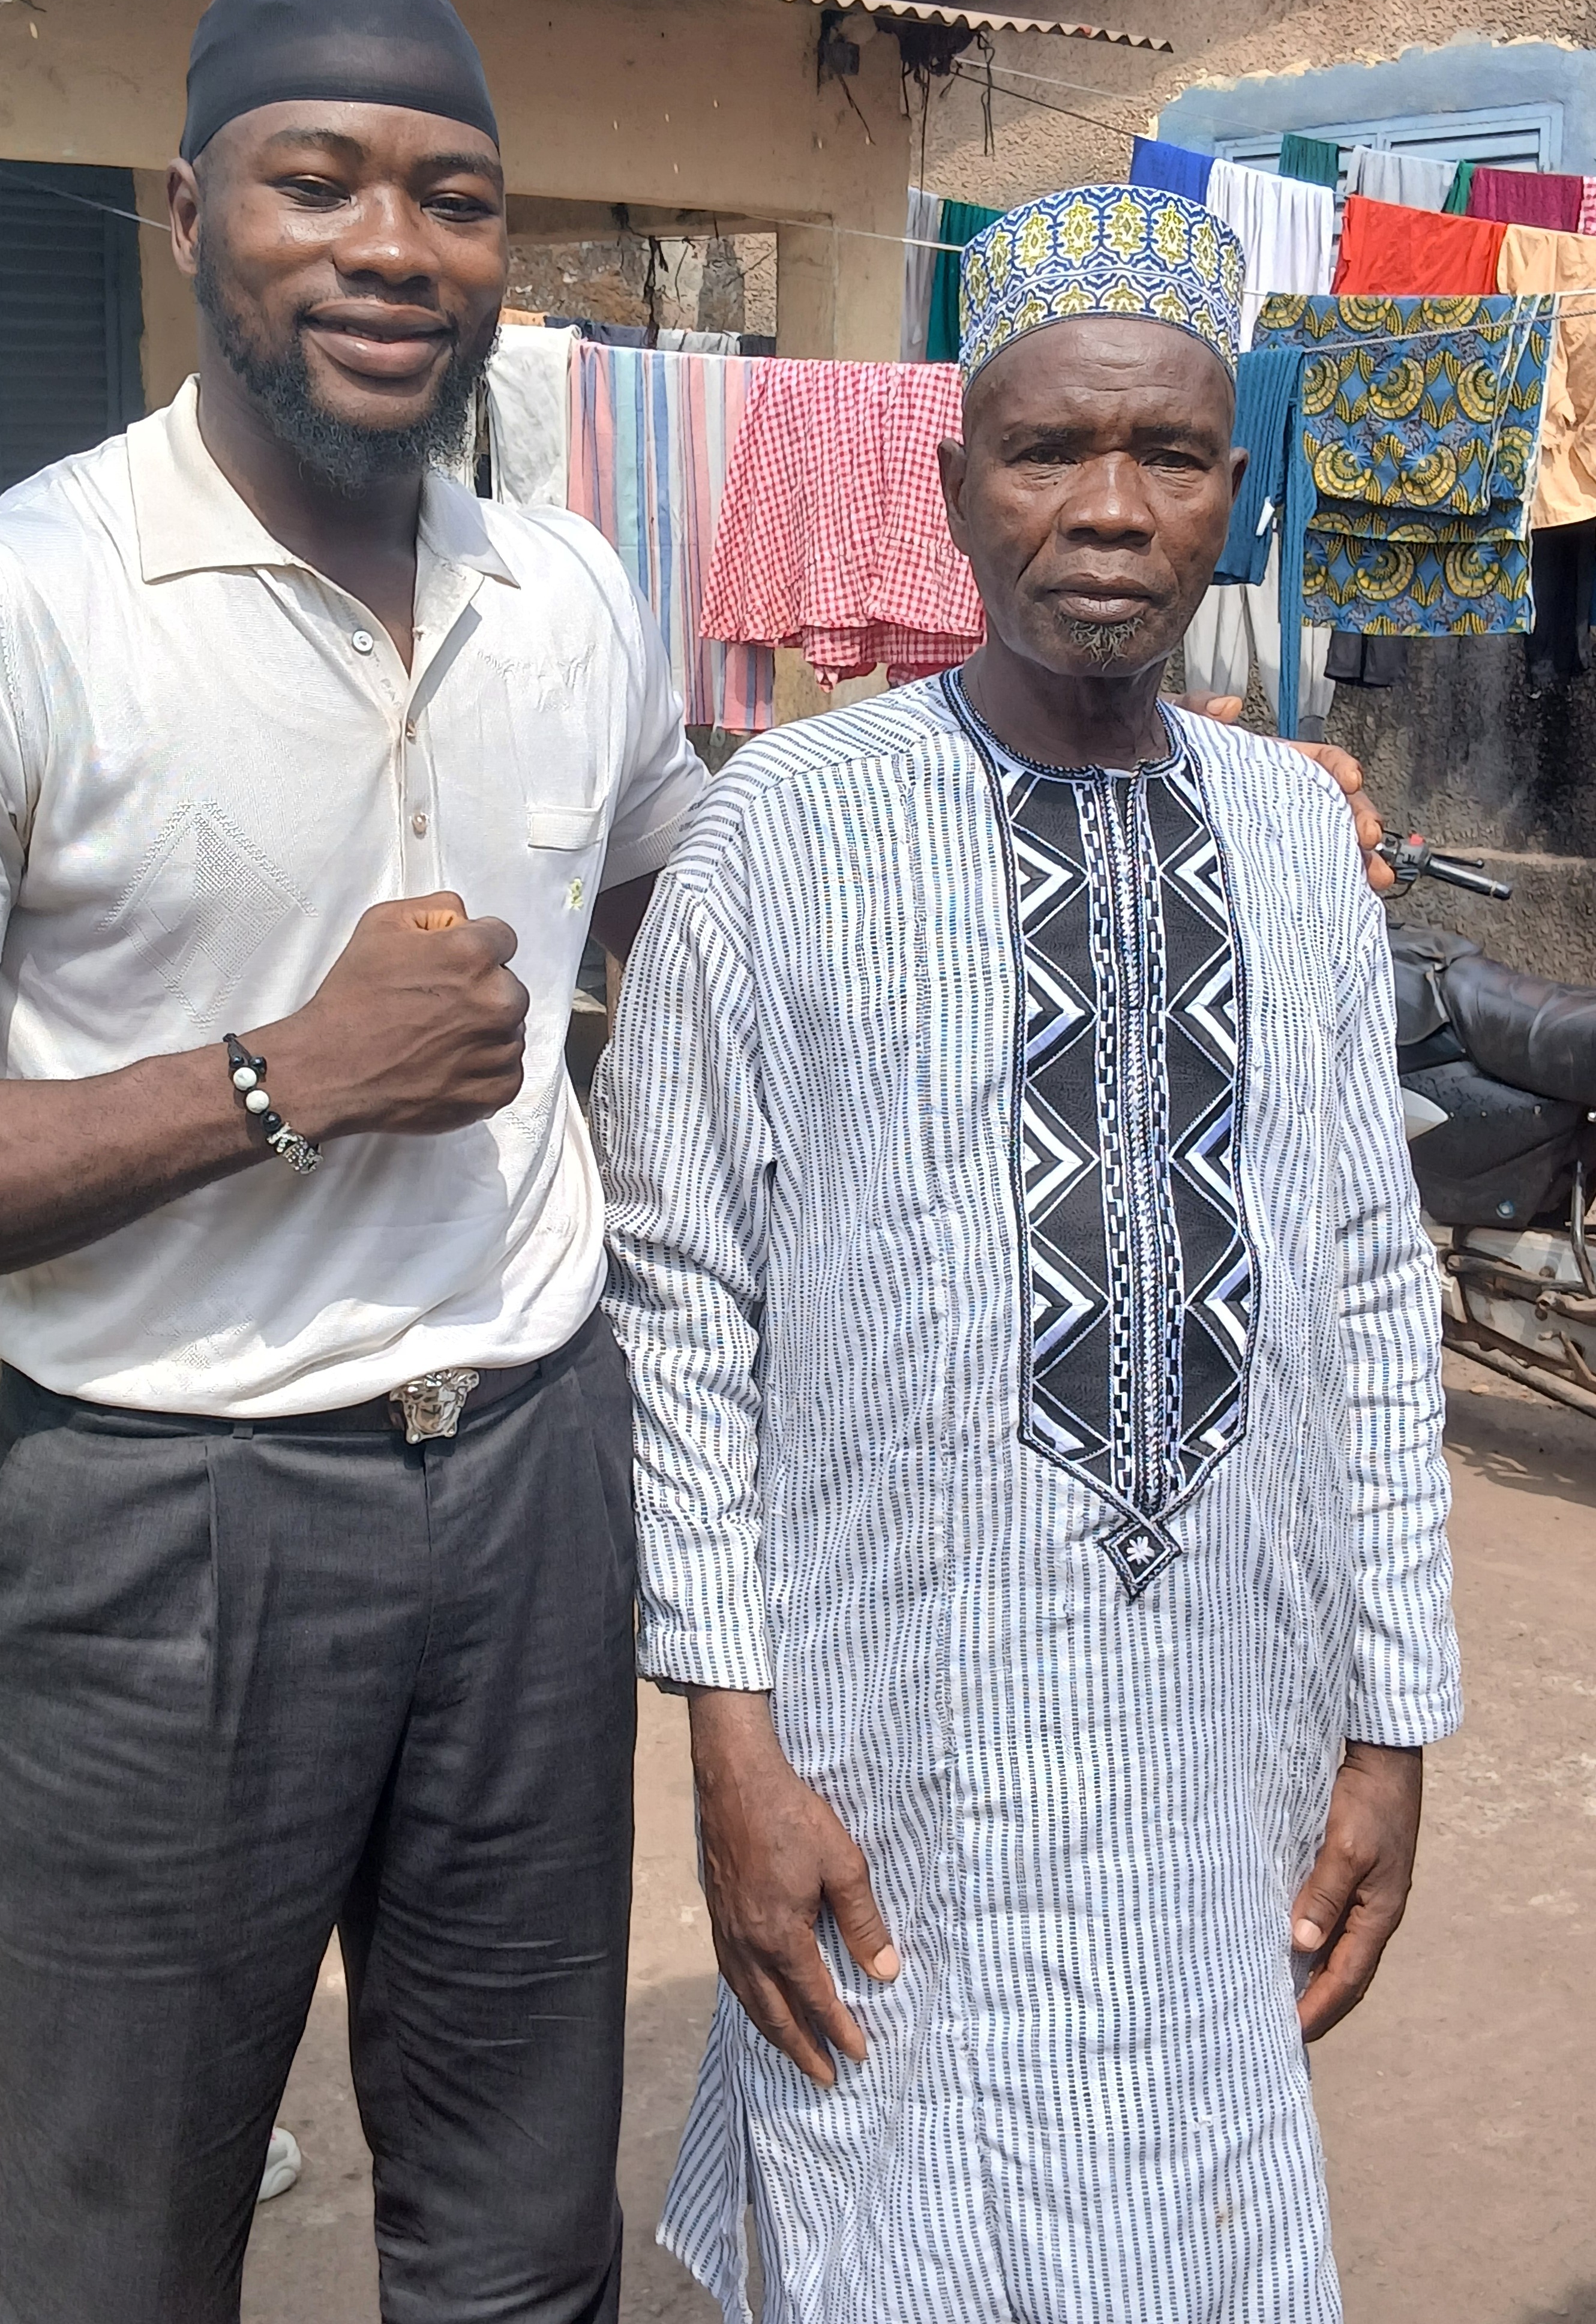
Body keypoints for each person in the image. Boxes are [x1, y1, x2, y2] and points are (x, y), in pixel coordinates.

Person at [0, 0, 706, 2324]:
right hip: (170, 1523)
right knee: (117, 2253)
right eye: (320, 181)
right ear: (189, 211)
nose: (394, 247)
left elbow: (711, 883)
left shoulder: (570, 587)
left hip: (533, 1488)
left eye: (455, 197)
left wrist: (1135, 774)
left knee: (520, 2238)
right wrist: (283, 1080)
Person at [595, 183, 1460, 2324]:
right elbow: (678, 1299)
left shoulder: (1298, 841)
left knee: (1199, 2237)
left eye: (1167, 456)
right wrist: (728, 1743)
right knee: (894, 2213)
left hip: (1224, 1747)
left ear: (1234, 498)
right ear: (948, 484)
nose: (1106, 508)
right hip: (895, 1752)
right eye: (1046, 449)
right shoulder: (779, 831)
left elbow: (1370, 1288)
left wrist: (1392, 1727)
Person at [0, 1382, 301, 2324]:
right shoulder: (136, 1573)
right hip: (66, 1842)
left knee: (57, 2071)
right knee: (93, 2111)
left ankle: (233, 2142)